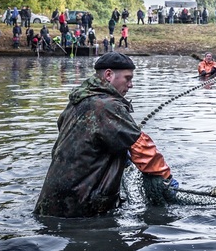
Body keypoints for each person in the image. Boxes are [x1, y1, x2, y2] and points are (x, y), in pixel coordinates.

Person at [34, 53, 178, 217]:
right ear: (109, 75)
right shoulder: (108, 106)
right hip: (82, 208)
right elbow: (140, 145)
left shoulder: (78, 100)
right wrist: (165, 177)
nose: (131, 85)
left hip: (49, 203)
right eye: (127, 78)